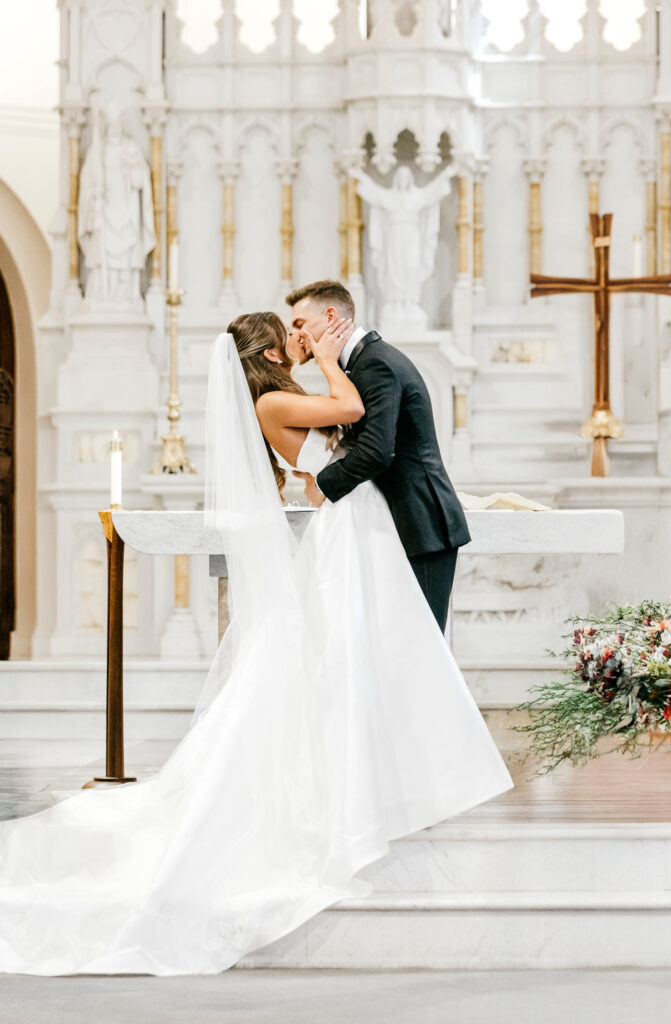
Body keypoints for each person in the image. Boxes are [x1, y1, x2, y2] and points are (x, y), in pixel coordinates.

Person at [0, 312, 512, 977]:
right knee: (332, 667)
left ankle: (368, 788)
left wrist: (320, 375)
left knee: (344, 666)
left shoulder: (276, 398)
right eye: (290, 336)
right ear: (271, 353)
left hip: (354, 527)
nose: (301, 340)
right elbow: (352, 409)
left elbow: (331, 445)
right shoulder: (272, 402)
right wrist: (327, 357)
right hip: (347, 531)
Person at [286, 278, 470, 632]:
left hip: (422, 524)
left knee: (421, 644)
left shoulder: (375, 364)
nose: (296, 336)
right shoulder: (360, 363)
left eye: (300, 324)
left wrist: (321, 485)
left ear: (330, 316)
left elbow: (376, 451)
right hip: (400, 522)